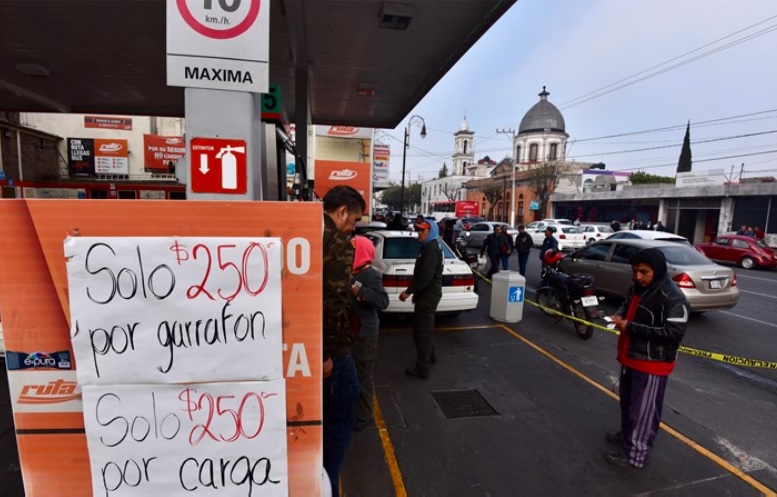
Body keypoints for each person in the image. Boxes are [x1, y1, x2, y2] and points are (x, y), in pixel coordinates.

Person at [605, 247, 688, 469]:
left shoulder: (672, 297)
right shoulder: (638, 287)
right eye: (635, 271)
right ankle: (627, 436)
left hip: (652, 364)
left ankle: (635, 455)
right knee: (628, 404)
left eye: (644, 272)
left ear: (657, 270)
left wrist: (630, 326)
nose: (638, 276)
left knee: (643, 412)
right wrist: (620, 315)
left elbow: (673, 332)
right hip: (630, 356)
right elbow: (627, 304)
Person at [321, 185, 366, 495]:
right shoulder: (337, 243)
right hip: (332, 355)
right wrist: (325, 353)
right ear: (341, 211)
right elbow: (332, 303)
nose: (354, 229)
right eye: (355, 220)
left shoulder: (302, 230)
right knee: (338, 428)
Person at [349, 236, 389, 432]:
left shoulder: (370, 275)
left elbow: (383, 301)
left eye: (352, 250)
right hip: (351, 333)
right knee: (352, 374)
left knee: (363, 376)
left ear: (361, 252)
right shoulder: (350, 271)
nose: (348, 253)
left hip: (364, 335)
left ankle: (365, 415)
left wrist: (361, 292)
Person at [399, 220, 444, 379]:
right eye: (418, 230)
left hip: (428, 296)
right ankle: (430, 356)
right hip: (426, 295)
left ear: (431, 232)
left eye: (422, 231)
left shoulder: (431, 249)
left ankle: (422, 368)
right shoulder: (428, 247)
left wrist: (408, 292)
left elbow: (425, 276)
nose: (419, 233)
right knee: (426, 328)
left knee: (421, 332)